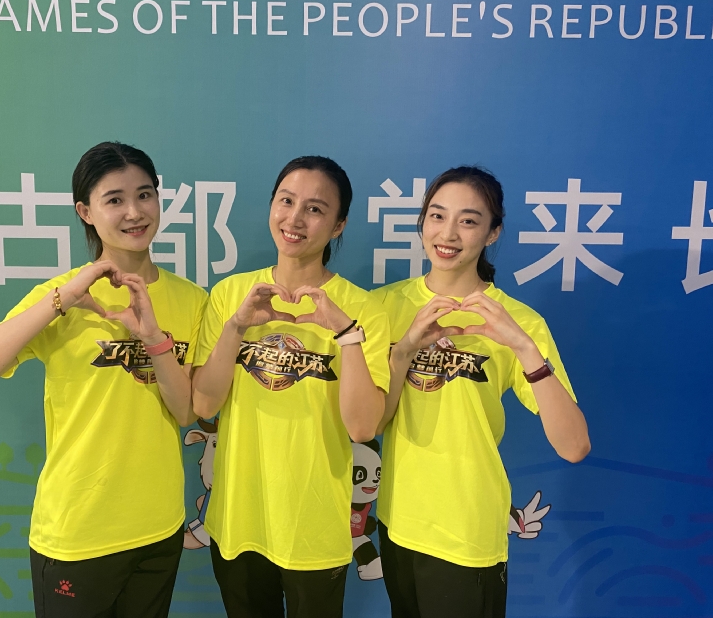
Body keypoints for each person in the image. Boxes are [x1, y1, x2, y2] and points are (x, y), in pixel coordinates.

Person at [0, 142, 206, 618]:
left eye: (144, 195)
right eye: (114, 199)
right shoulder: (62, 298)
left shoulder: (192, 300)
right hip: (79, 533)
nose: (134, 212)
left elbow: (186, 411)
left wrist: (152, 338)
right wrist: (61, 300)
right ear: (85, 212)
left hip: (159, 528)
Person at [372, 166, 590, 618]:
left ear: (493, 233)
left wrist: (524, 349)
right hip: (397, 522)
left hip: (467, 530)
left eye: (468, 221)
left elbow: (574, 446)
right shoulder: (383, 306)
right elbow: (372, 422)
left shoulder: (519, 322)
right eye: (437, 216)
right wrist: (403, 352)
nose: (448, 233)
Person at [191, 156, 390, 618]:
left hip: (313, 524)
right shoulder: (230, 296)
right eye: (286, 201)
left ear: (338, 226)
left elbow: (362, 428)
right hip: (238, 519)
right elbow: (203, 402)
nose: (295, 219)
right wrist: (236, 327)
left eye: (315, 209)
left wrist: (347, 334)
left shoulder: (364, 310)